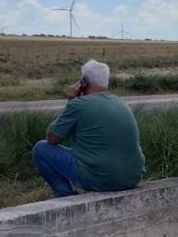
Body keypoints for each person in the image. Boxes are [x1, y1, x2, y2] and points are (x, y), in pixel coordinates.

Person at [32, 59, 145, 197]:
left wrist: (71, 100)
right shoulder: (120, 102)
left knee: (41, 149)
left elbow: (52, 138)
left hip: (101, 179)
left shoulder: (78, 104)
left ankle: (66, 199)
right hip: (132, 177)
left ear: (84, 81)